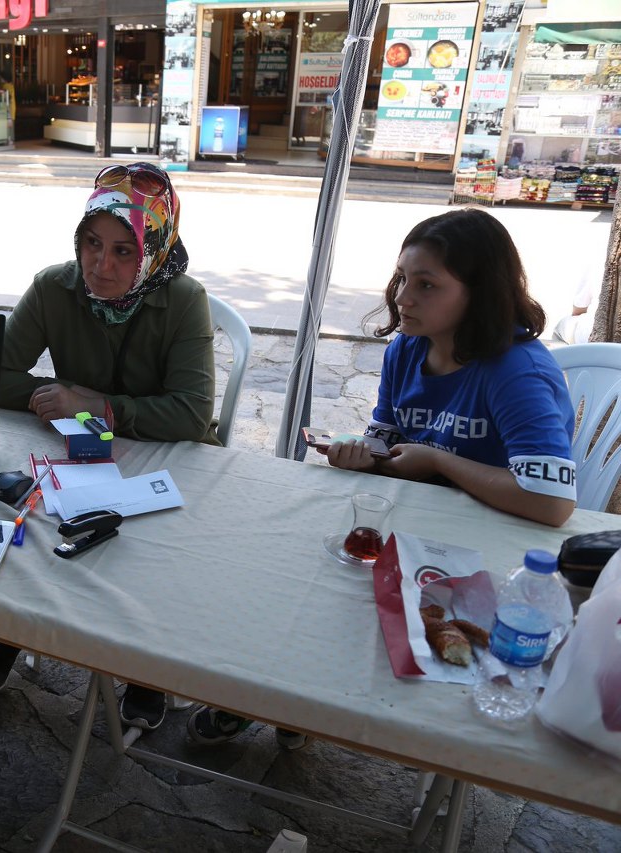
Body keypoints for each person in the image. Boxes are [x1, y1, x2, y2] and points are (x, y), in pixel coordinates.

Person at [189, 207, 579, 750]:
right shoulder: (407, 349)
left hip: (489, 559)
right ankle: (277, 692)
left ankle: (306, 700)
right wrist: (362, 455)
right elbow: (390, 440)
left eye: (426, 284)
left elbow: (552, 502)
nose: (402, 298)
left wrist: (438, 461)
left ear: (479, 292)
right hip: (411, 530)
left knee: (337, 601)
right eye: (401, 278)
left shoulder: (518, 371)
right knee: (287, 569)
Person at [0, 162, 219, 731]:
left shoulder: (184, 299)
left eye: (123, 252)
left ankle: (146, 669)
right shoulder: (55, 286)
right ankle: (12, 628)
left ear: (154, 248)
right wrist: (52, 395)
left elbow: (190, 413)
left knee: (154, 546)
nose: (100, 267)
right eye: (91, 245)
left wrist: (93, 404)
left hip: (170, 457)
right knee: (21, 508)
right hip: (81, 451)